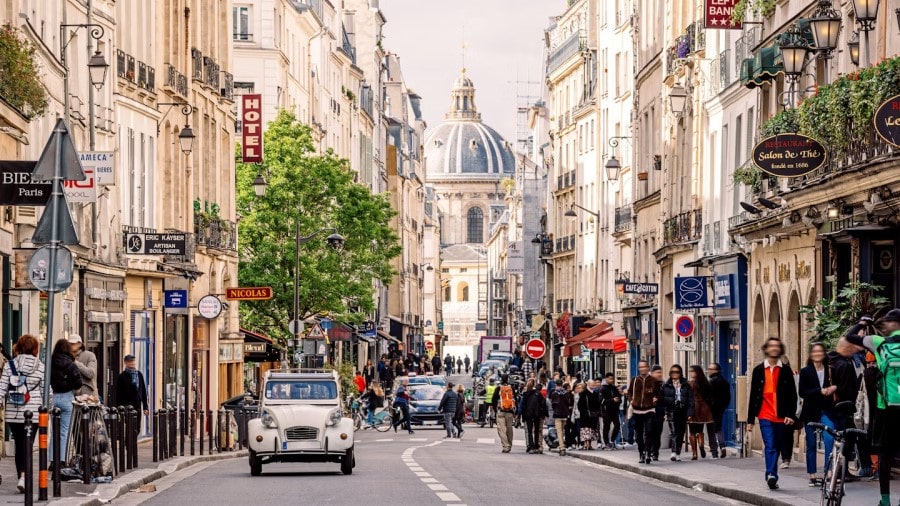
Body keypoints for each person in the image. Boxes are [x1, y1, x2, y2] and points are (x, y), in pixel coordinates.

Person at [843, 310, 900, 506]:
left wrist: (862, 323)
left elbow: (849, 337)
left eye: (887, 323)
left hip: (885, 407)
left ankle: (885, 500)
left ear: (893, 324)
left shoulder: (878, 342)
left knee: (884, 454)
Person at [746, 336, 798, 490]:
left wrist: (790, 414)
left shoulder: (785, 370)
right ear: (766, 349)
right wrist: (750, 419)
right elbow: (754, 394)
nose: (774, 348)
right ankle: (771, 475)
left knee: (777, 444)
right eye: (771, 346)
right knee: (770, 445)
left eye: (777, 346)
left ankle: (772, 474)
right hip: (764, 415)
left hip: (781, 415)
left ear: (780, 349)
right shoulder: (758, 370)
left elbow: (792, 395)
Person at [0, 335, 44, 492]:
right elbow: (47, 391)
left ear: (18, 347)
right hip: (33, 413)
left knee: (19, 444)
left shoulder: (9, 365)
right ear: (35, 349)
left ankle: (22, 476)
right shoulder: (40, 366)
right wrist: (49, 408)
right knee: (28, 444)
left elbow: (2, 387)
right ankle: (24, 477)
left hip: (14, 412)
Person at [798, 342, 834, 487]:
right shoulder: (806, 371)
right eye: (815, 351)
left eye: (820, 351)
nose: (818, 354)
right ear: (811, 354)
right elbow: (802, 392)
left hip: (826, 410)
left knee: (829, 439)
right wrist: (819, 391)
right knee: (811, 444)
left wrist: (832, 388)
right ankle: (812, 475)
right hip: (810, 412)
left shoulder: (830, 370)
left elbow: (836, 387)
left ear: (824, 353)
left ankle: (829, 471)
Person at [51, 338, 83, 464]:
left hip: (53, 397)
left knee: (54, 431)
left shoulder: (50, 362)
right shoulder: (70, 363)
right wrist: (69, 385)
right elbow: (78, 382)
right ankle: (62, 460)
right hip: (66, 397)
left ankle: (53, 461)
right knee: (64, 431)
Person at [628, 360, 661, 464]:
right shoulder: (635, 380)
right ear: (639, 368)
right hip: (637, 410)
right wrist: (631, 400)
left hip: (649, 409)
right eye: (640, 367)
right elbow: (629, 393)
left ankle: (648, 452)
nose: (642, 369)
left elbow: (659, 393)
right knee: (638, 433)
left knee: (649, 431)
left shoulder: (653, 381)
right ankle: (641, 452)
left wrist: (656, 399)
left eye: (644, 367)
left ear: (648, 368)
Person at [662, 364, 693, 461]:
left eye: (677, 372)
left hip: (682, 410)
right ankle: (674, 452)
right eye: (673, 372)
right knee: (674, 431)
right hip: (671, 410)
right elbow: (663, 400)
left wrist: (690, 413)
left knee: (680, 432)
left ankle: (678, 452)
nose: (675, 374)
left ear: (680, 373)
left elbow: (690, 400)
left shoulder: (686, 385)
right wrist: (664, 413)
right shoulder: (666, 385)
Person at [688, 365, 713, 460]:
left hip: (693, 408)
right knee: (700, 429)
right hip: (704, 408)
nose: (690, 372)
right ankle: (701, 445)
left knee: (692, 431)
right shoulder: (705, 382)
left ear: (696, 372)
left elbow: (687, 396)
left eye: (692, 371)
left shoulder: (690, 383)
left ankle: (694, 453)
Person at [707, 363, 731, 458]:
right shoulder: (725, 382)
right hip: (720, 408)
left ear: (715, 370)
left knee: (711, 429)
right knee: (718, 428)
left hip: (712, 408)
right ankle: (722, 446)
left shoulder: (711, 382)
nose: (708, 370)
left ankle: (714, 450)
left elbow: (709, 396)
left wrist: (710, 405)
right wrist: (723, 406)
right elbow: (727, 397)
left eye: (710, 369)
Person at [520, 379, 548, 453]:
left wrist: (522, 416)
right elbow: (543, 404)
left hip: (528, 414)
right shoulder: (538, 393)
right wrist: (545, 414)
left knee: (529, 431)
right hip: (536, 414)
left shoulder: (525, 394)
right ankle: (536, 446)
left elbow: (523, 406)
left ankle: (531, 446)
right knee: (536, 430)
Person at [492, 373, 517, 453]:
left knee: (501, 429)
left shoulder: (498, 388)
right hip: (510, 411)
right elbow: (515, 398)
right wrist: (515, 411)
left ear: (501, 379)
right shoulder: (511, 388)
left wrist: (495, 409)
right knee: (509, 429)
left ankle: (506, 446)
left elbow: (493, 400)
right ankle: (510, 444)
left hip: (500, 411)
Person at [599, 373, 622, 449]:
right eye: (610, 379)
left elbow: (619, 398)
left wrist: (618, 400)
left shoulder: (614, 388)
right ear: (606, 379)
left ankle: (612, 440)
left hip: (615, 410)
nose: (611, 380)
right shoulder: (602, 389)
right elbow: (601, 401)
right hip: (606, 411)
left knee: (617, 425)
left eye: (612, 379)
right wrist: (612, 400)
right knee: (606, 427)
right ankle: (606, 442)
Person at [550, 380, 573, 455]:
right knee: (562, 431)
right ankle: (562, 443)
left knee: (559, 431)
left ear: (556, 384)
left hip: (557, 414)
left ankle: (562, 447)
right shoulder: (566, 393)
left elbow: (553, 404)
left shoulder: (554, 393)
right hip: (565, 414)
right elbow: (568, 403)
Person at [577, 380, 601, 450]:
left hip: (593, 415)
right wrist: (584, 412)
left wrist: (597, 411)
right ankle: (585, 444)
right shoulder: (584, 393)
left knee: (592, 430)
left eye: (593, 384)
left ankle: (589, 444)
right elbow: (580, 405)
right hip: (585, 415)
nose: (593, 385)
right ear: (588, 384)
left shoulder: (595, 393)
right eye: (591, 384)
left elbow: (597, 403)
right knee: (585, 429)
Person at [650, 365, 666, 460]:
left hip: (659, 412)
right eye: (657, 372)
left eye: (660, 372)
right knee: (648, 432)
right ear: (652, 373)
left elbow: (666, 399)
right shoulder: (647, 383)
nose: (659, 374)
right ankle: (648, 451)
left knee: (657, 434)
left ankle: (655, 452)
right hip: (648, 412)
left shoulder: (664, 385)